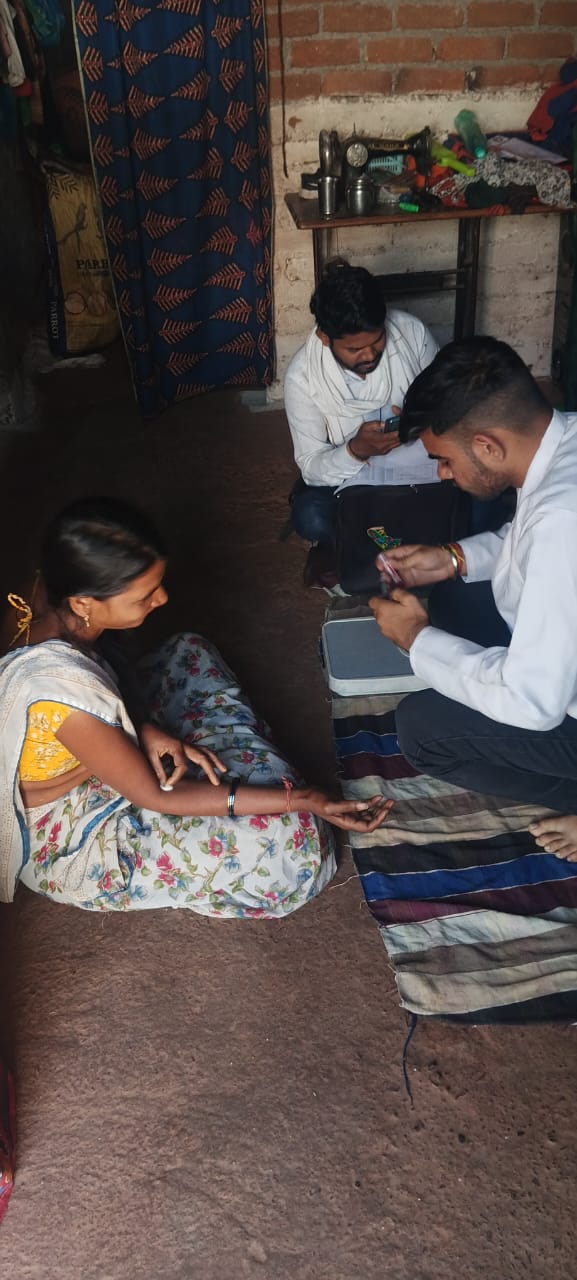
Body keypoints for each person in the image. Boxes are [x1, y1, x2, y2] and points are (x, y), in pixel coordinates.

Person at [0, 498, 390, 917]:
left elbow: (99, 699)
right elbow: (155, 796)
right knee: (298, 847)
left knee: (189, 652)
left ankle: (243, 774)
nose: (163, 598)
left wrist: (145, 730)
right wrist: (304, 799)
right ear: (82, 603)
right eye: (145, 596)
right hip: (75, 827)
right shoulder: (65, 695)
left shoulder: (45, 592)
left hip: (95, 745)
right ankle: (253, 780)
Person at [367, 336, 577, 863]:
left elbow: (533, 703)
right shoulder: (564, 442)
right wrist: (453, 558)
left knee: (422, 731)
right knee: (454, 602)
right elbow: (526, 544)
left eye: (443, 459)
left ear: (486, 446)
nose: (442, 473)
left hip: (551, 698)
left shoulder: (562, 522)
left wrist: (415, 639)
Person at [284, 258, 440, 554]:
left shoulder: (411, 333)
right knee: (311, 516)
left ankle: (369, 542)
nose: (369, 355)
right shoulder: (303, 377)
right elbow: (311, 466)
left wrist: (422, 419)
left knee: (483, 488)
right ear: (325, 337)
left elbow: (447, 400)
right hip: (353, 481)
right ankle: (399, 537)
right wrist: (356, 450)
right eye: (354, 349)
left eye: (378, 340)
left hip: (418, 471)